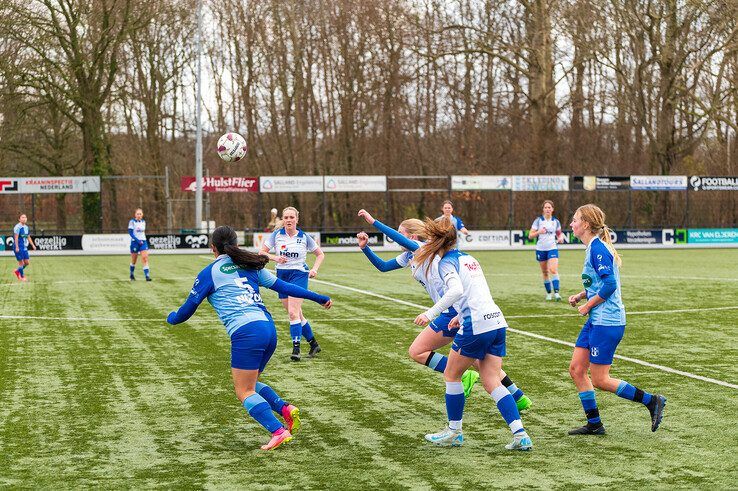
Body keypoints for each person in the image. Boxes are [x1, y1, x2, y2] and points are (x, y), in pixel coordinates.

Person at [166, 226, 332, 450]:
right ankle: (285, 409)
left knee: (243, 391)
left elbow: (186, 310)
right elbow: (287, 287)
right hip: (268, 329)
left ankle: (277, 431)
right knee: (251, 384)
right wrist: (319, 297)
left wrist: (171, 318)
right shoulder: (251, 266)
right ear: (235, 245)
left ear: (213, 247)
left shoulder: (210, 272)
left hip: (247, 333)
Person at [357, 210, 531, 410]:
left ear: (412, 237)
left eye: (400, 233)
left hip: (453, 311)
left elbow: (399, 239)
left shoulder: (421, 247)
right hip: (457, 311)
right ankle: (518, 396)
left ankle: (464, 375)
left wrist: (373, 222)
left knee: (417, 351)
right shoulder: (409, 256)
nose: (395, 238)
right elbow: (383, 266)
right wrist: (365, 248)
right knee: (478, 360)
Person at [411, 217, 532, 450]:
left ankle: (454, 432)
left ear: (436, 241)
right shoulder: (469, 258)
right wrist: (460, 314)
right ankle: (520, 434)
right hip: (496, 321)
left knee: (451, 375)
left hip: (476, 325)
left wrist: (431, 313)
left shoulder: (445, 262)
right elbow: (475, 292)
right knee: (492, 381)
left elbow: (456, 290)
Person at [567, 204, 666, 435]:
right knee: (576, 369)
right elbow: (600, 283)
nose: (571, 224)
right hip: (596, 320)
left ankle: (652, 401)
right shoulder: (592, 247)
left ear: (586, 225)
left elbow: (610, 284)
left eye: (574, 220)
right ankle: (594, 424)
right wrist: (581, 294)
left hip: (607, 321)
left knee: (601, 379)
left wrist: (587, 306)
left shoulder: (597, 249)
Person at [259, 206, 325, 361]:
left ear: (297, 219)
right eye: (286, 217)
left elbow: (320, 254)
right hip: (281, 276)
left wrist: (314, 270)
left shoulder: (304, 237)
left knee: (293, 312)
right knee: (297, 314)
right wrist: (276, 258)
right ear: (283, 219)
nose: (289, 220)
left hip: (299, 275)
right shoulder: (276, 235)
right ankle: (313, 343)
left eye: (291, 217)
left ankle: (296, 349)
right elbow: (261, 253)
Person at [529, 200, 564, 301]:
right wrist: (539, 231)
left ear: (553, 209)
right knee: (545, 272)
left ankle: (557, 293)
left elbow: (559, 234)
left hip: (552, 248)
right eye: (546, 207)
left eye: (549, 207)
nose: (547, 209)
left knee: (553, 269)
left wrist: (560, 237)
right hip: (541, 249)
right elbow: (530, 235)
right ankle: (548, 293)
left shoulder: (556, 222)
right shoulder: (538, 221)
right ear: (543, 209)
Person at [128, 208, 151, 281]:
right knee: (134, 260)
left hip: (143, 242)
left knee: (145, 258)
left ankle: (147, 276)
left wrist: (142, 241)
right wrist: (138, 240)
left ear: (142, 215)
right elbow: (131, 233)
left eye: (140, 214)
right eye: (137, 214)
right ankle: (131, 274)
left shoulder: (144, 222)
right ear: (135, 215)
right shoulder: (132, 222)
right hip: (135, 243)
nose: (139, 215)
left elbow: (142, 233)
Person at [12, 213, 36, 282]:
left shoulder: (26, 227)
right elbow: (16, 238)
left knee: (27, 262)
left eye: (25, 217)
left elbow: (28, 237)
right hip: (19, 246)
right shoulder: (17, 227)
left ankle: (17, 271)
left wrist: (33, 245)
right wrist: (17, 247)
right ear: (19, 219)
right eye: (22, 217)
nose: (24, 218)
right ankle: (22, 277)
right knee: (21, 263)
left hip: (24, 247)